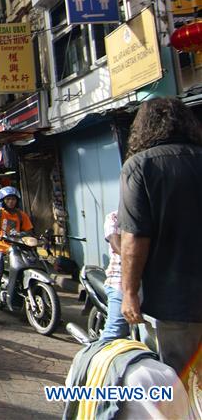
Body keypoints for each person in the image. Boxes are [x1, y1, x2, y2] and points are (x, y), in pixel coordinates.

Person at [118, 98, 202, 388]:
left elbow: (135, 237)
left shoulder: (140, 166)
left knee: (180, 385)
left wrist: (129, 292)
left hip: (175, 302)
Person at [0, 186, 33, 321]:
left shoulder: (21, 215)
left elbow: (28, 230)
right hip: (0, 248)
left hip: (17, 248)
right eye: (8, 199)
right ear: (3, 200)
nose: (11, 202)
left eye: (13, 199)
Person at [99, 211, 128, 341]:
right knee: (115, 331)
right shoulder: (115, 217)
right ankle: (94, 358)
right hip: (119, 280)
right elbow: (116, 244)